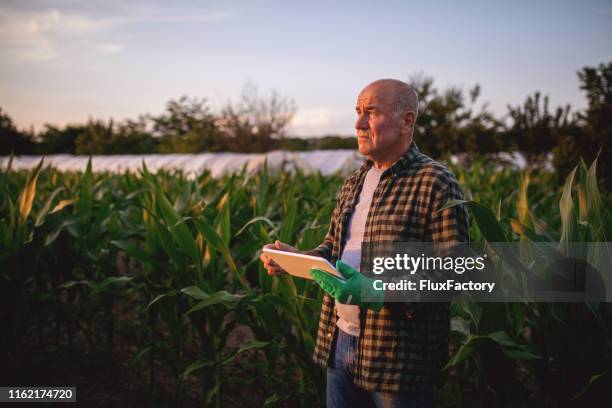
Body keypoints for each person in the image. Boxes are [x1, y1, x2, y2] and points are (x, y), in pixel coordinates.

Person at [260, 79, 469, 408]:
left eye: (370, 112)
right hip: (341, 340)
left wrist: (378, 292)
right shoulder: (355, 181)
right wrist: (297, 259)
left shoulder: (435, 182)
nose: (358, 123)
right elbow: (334, 247)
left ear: (407, 121)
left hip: (396, 356)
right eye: (358, 112)